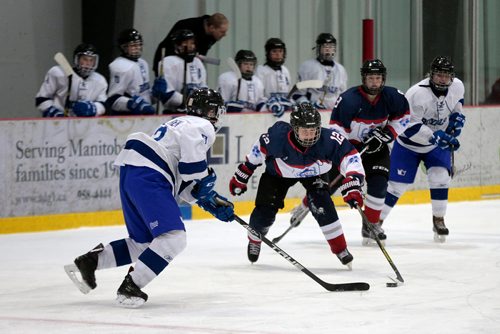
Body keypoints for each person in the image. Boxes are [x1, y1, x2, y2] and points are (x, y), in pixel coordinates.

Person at [64, 88, 234, 308]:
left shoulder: (177, 123)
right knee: (174, 238)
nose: (216, 116)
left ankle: (90, 261)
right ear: (208, 111)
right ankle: (131, 286)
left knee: (143, 244)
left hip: (133, 172)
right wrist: (206, 185)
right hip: (151, 175)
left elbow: (183, 181)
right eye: (215, 111)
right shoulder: (203, 126)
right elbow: (193, 170)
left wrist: (207, 200)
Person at [228, 101, 365, 268]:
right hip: (278, 174)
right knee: (265, 212)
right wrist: (243, 174)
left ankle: (340, 249)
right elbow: (258, 151)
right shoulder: (278, 137)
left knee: (323, 203)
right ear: (294, 129)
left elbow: (351, 157)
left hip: (315, 173)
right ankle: (255, 239)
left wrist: (354, 180)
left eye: (313, 130)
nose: (309, 135)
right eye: (304, 131)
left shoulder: (329, 140)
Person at [290, 59, 410, 246]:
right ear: (364, 78)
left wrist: (386, 134)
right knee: (326, 187)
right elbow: (336, 130)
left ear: (383, 79)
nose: (374, 82)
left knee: (379, 184)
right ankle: (305, 204)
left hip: (377, 150)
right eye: (371, 78)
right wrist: (349, 151)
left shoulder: (393, 96)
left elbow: (403, 118)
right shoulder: (349, 99)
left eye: (378, 78)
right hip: (347, 151)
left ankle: (371, 225)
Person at [379, 56, 464, 242]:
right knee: (396, 186)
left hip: (435, 144)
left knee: (441, 177)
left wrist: (457, 119)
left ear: (451, 77)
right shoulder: (416, 93)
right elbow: (409, 126)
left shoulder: (457, 85)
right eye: (439, 75)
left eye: (446, 76)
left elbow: (458, 103)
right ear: (431, 75)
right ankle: (376, 222)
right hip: (408, 144)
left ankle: (439, 219)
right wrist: (435, 136)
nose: (442, 79)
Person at [36, 43, 107, 117]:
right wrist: (53, 112)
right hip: (56, 126)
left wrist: (93, 108)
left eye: (91, 60)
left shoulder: (100, 81)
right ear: (77, 59)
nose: (88, 63)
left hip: (87, 126)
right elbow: (41, 98)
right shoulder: (58, 73)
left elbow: (104, 104)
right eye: (85, 59)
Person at [153, 13, 229, 76]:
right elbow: (172, 48)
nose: (225, 35)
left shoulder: (213, 36)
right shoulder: (187, 26)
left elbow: (200, 54)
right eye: (222, 32)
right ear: (212, 28)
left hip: (187, 65)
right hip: (167, 60)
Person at [152, 29, 207, 113]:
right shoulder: (168, 62)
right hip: (174, 113)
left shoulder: (197, 62)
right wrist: (188, 100)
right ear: (177, 45)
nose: (191, 46)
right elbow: (168, 96)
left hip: (196, 113)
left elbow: (203, 87)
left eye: (192, 42)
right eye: (186, 43)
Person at [105, 28, 155, 115]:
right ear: (123, 47)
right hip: (127, 117)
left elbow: (144, 93)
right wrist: (132, 104)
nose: (137, 48)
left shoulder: (143, 63)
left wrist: (155, 94)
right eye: (133, 45)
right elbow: (113, 100)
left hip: (144, 116)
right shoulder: (119, 66)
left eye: (139, 45)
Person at [294, 33, 348, 110]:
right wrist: (307, 105)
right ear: (318, 48)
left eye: (331, 46)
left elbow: (343, 96)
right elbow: (297, 94)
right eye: (324, 46)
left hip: (333, 114)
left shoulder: (341, 70)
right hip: (312, 115)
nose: (328, 49)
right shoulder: (307, 67)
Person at [217, 50, 268, 114]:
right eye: (245, 64)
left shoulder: (258, 82)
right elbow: (219, 104)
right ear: (238, 65)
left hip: (253, 120)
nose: (248, 67)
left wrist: (267, 107)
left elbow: (259, 103)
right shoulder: (227, 79)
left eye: (251, 64)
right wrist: (228, 107)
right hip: (231, 120)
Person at [255, 38, 293, 116]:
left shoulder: (285, 70)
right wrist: (270, 105)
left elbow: (288, 93)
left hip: (284, 112)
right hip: (267, 112)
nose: (278, 54)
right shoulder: (261, 70)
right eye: (274, 51)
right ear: (268, 53)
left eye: (280, 51)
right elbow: (258, 98)